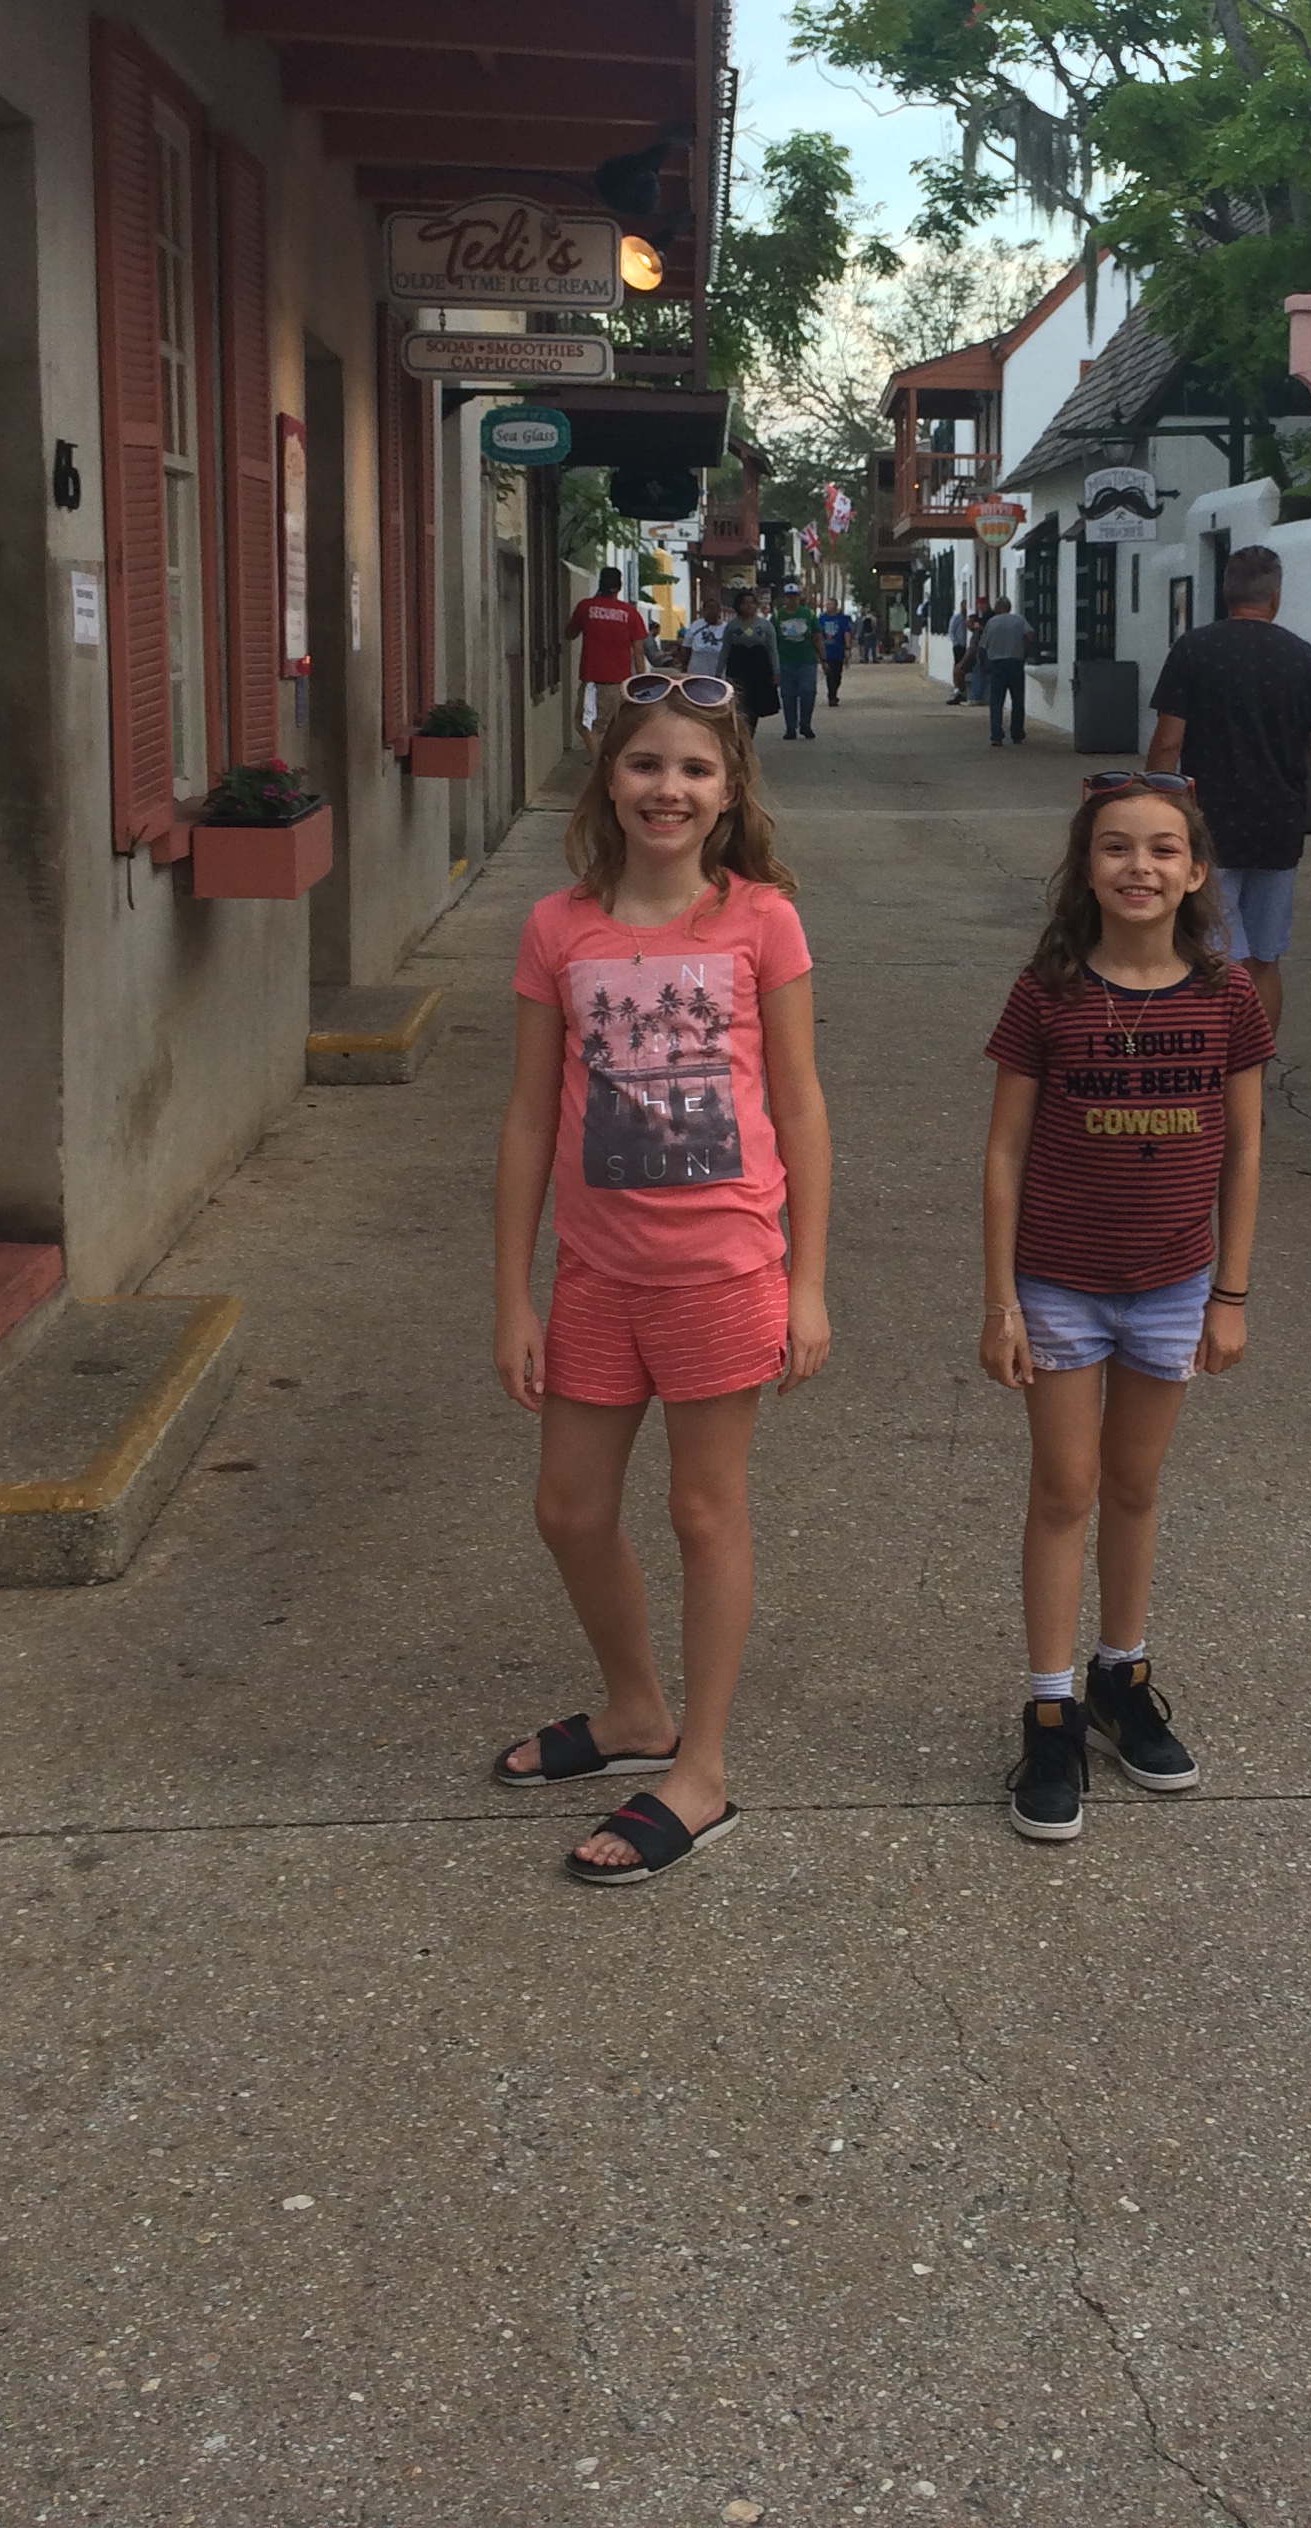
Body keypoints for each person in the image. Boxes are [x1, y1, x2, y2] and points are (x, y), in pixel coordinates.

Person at [490, 669, 832, 1885]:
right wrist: (513, 1294)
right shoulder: (557, 928)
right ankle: (636, 1708)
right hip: (596, 1273)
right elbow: (529, 1118)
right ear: (609, 779)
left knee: (704, 1510)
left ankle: (703, 1769)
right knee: (569, 1509)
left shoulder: (761, 922)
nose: (668, 788)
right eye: (646, 764)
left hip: (724, 1269)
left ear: (730, 790)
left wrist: (807, 1281)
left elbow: (800, 1105)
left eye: (695, 768)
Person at [980, 772, 1271, 1842]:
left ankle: (1121, 1677)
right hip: (1059, 1282)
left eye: (1161, 849)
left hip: (1174, 1285)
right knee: (1066, 1487)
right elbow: (1004, 1153)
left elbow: (1244, 1150)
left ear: (1195, 872)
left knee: (1135, 1485)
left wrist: (1230, 1293)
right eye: (1114, 847)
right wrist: (1000, 1300)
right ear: (1085, 867)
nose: (1138, 866)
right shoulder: (1047, 992)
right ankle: (1050, 1707)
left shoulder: (1225, 997)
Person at [1144, 544, 1311, 1032]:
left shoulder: (1194, 650)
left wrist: (1153, 814)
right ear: (1275, 597)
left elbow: (1168, 743)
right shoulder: (1303, 658)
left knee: (1213, 955)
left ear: (1226, 593)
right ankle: (1254, 1065)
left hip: (1207, 826)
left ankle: (1214, 1060)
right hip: (1278, 828)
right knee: (1264, 960)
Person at [566, 566, 646, 734]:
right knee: (617, 728)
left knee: (586, 724)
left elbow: (570, 633)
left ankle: (598, 753)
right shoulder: (630, 613)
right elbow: (638, 651)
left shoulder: (586, 607)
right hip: (622, 684)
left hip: (593, 682)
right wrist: (641, 682)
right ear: (620, 587)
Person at [722, 586, 780, 737]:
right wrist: (719, 672)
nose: (748, 606)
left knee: (755, 704)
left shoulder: (765, 625)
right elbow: (725, 650)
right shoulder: (732, 626)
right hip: (738, 666)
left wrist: (776, 671)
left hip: (759, 667)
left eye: (752, 602)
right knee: (740, 702)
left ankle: (750, 732)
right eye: (744, 603)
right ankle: (741, 731)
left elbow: (772, 649)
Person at [976, 594, 1033, 746]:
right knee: (1018, 700)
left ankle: (996, 735)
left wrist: (982, 665)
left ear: (998, 608)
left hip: (997, 664)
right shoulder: (1019, 619)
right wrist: (1025, 652)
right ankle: (1017, 733)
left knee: (996, 702)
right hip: (1015, 663)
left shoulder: (992, 622)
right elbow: (1029, 635)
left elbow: (983, 646)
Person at [773, 580, 821, 740]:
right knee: (788, 695)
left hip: (807, 661)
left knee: (808, 692)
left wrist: (823, 658)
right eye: (789, 596)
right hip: (785, 661)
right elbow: (772, 640)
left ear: (798, 597)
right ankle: (790, 727)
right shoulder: (778, 616)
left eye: (794, 596)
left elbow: (817, 637)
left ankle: (805, 724)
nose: (792, 599)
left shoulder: (809, 614)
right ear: (785, 597)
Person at [681, 585, 733, 686]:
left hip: (718, 671)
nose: (711, 611)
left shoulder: (727, 629)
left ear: (719, 611)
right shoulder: (696, 626)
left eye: (714, 608)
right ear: (703, 610)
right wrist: (684, 666)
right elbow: (686, 648)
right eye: (708, 608)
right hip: (697, 670)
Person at [819, 602, 852, 706]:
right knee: (829, 673)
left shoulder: (842, 619)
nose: (828, 606)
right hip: (826, 651)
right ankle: (831, 696)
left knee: (837, 674)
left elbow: (847, 633)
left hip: (838, 650)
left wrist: (847, 648)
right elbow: (817, 634)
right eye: (827, 604)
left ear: (835, 606)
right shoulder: (821, 619)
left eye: (830, 604)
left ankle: (834, 692)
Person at [947, 602, 974, 707]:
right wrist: (956, 642)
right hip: (958, 645)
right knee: (957, 665)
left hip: (964, 645)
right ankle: (957, 687)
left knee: (962, 666)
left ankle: (961, 688)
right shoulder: (957, 618)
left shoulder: (967, 618)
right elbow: (951, 630)